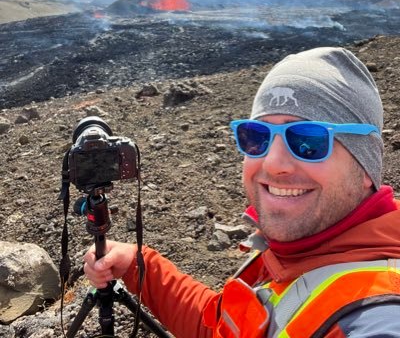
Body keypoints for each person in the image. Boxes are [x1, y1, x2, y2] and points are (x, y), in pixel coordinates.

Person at [84, 47, 400, 338]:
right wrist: (139, 266)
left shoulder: (376, 315)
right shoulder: (298, 250)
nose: (274, 163)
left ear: (365, 167)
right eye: (257, 136)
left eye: (309, 141)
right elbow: (219, 327)